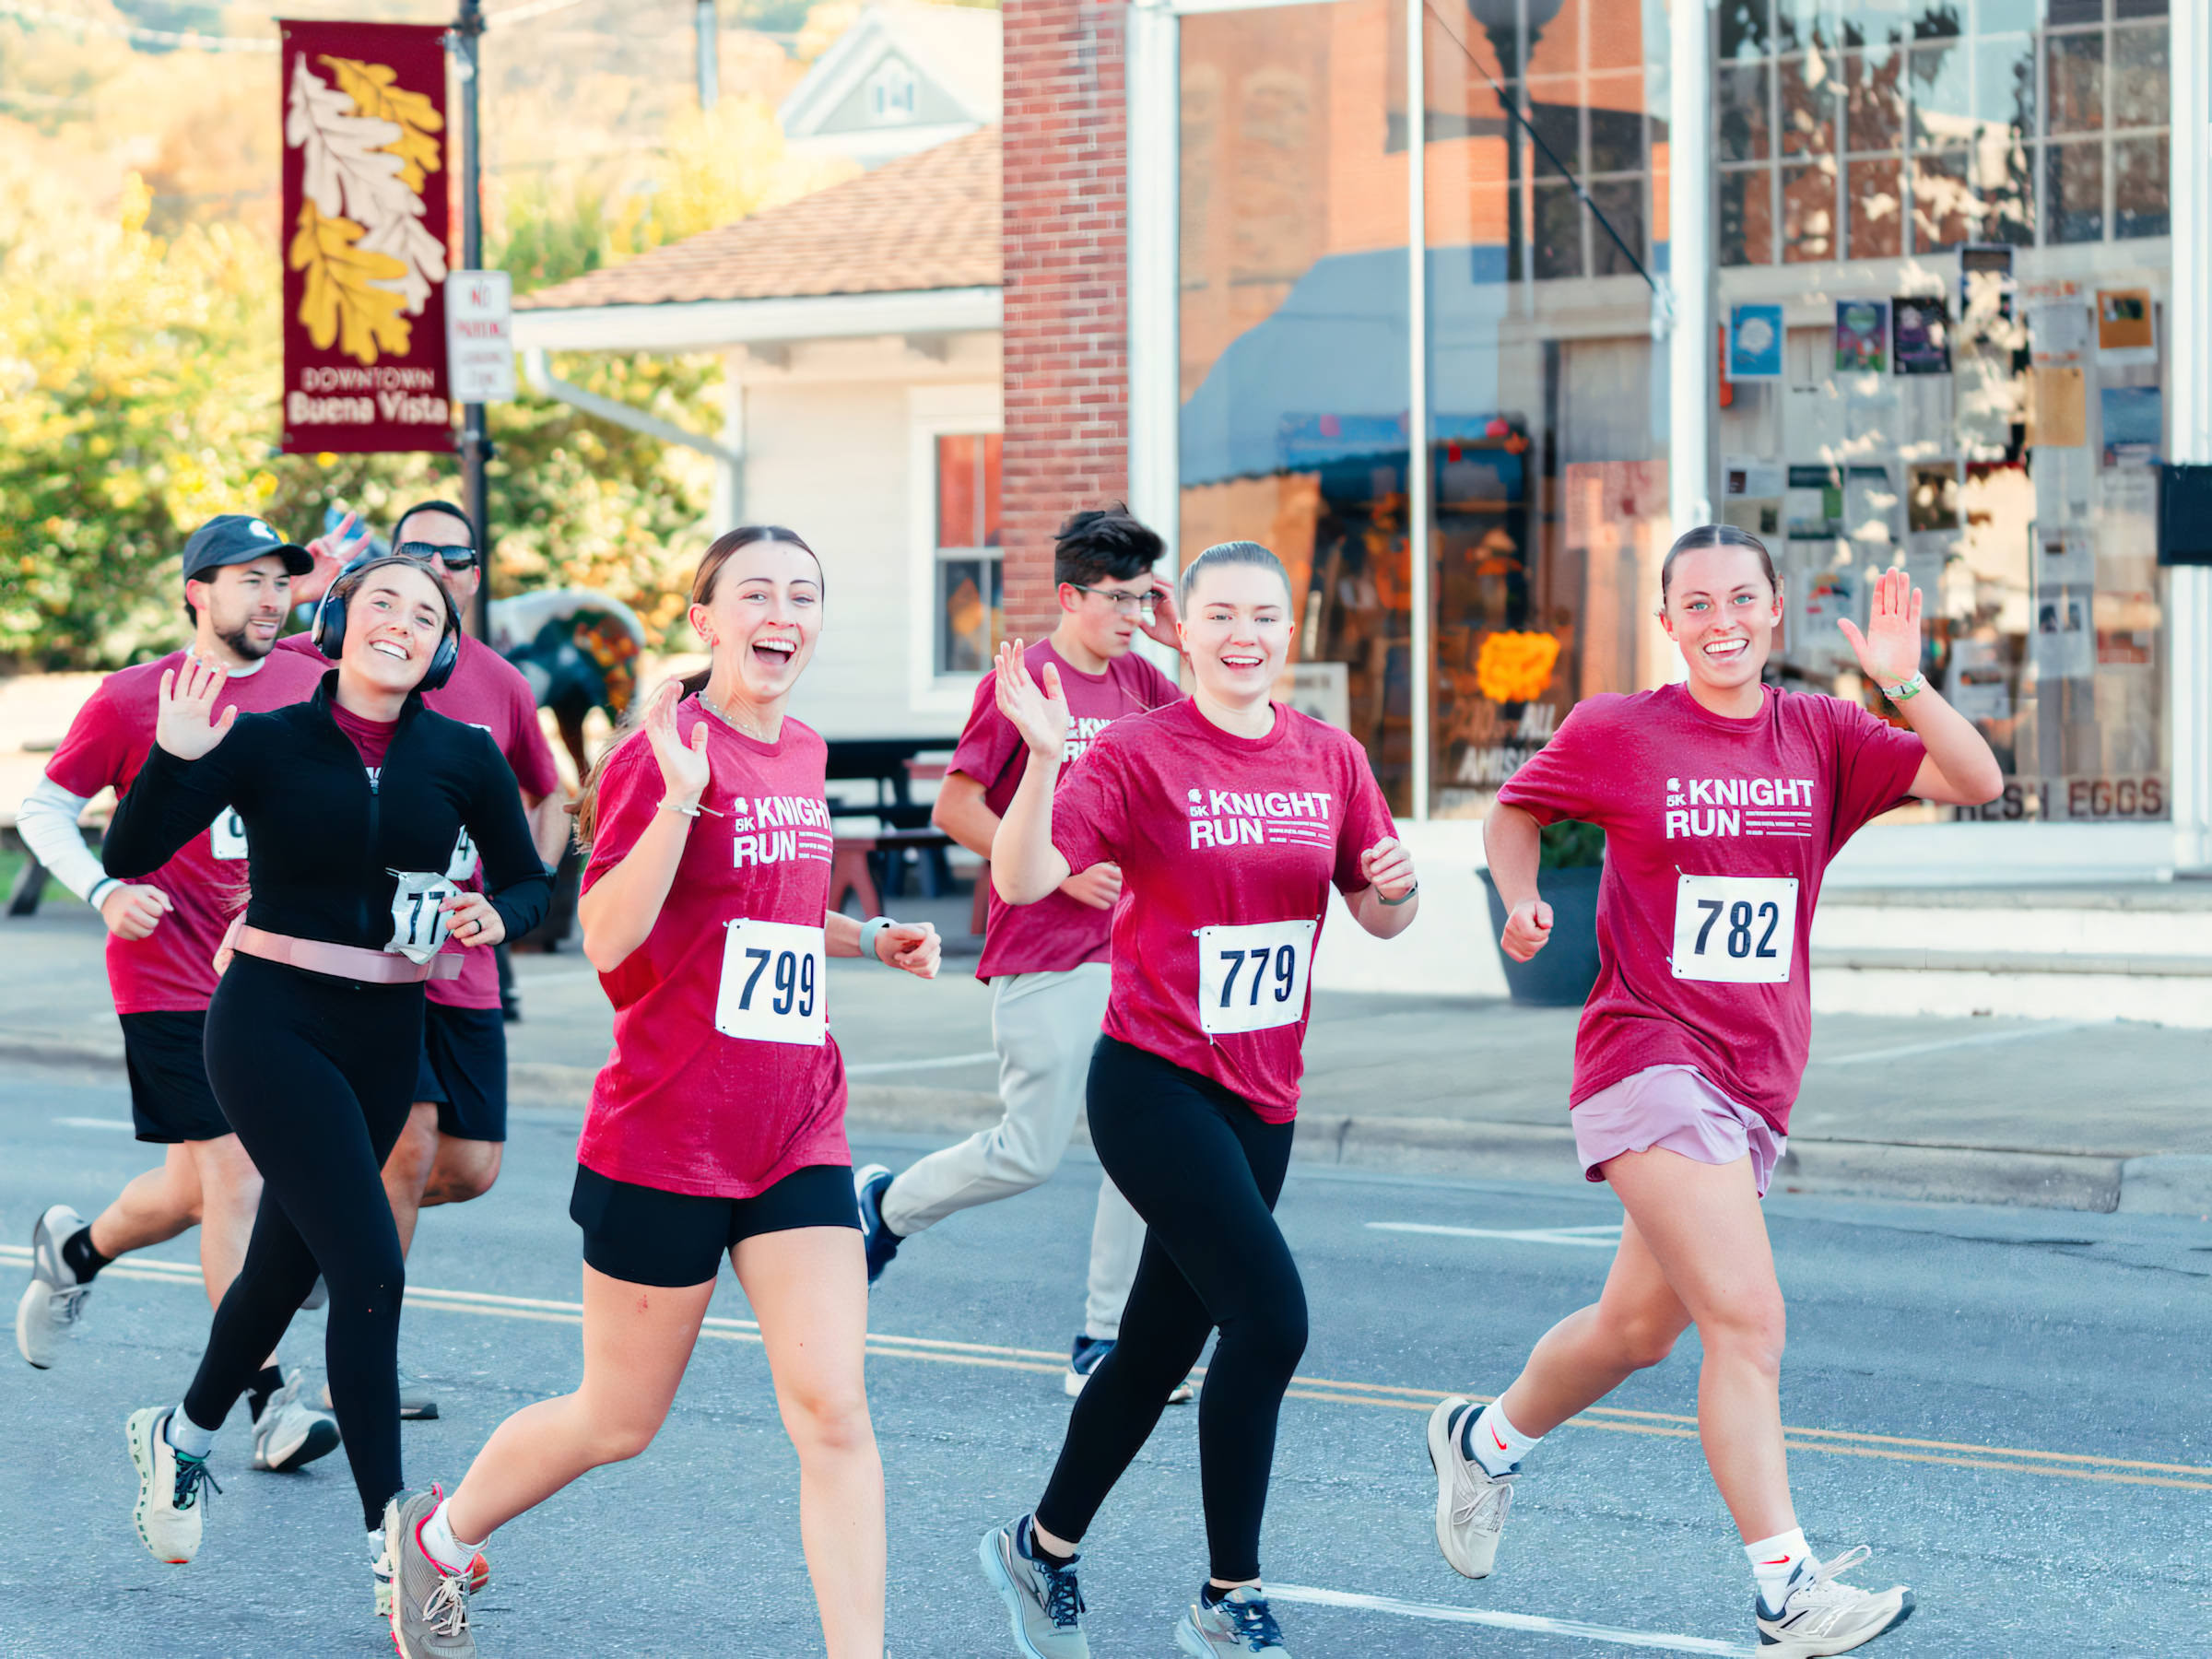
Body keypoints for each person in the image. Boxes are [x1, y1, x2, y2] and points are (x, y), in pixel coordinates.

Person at [1427, 527, 2001, 1659]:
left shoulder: (1825, 733)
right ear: (1668, 620)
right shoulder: (1620, 731)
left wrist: (1901, 680)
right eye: (1696, 603)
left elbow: (1974, 778)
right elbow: (1512, 811)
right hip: (1647, 1055)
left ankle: (1483, 1444)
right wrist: (1522, 898)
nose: (1721, 620)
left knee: (1636, 1331)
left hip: (1755, 1076)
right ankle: (1784, 1588)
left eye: (1742, 598)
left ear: (1777, 611)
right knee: (1748, 1321)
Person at [382, 526, 940, 1659]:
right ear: (706, 620)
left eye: (803, 593)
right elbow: (608, 936)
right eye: (757, 593)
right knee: (617, 1420)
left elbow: (757, 910)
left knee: (834, 1410)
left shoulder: (803, 748)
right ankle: (436, 1540)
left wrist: (868, 933)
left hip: (795, 1123)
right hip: (667, 1134)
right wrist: (681, 797)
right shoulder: (661, 755)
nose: (782, 611)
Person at [974, 539, 1418, 1659]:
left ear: (1289, 629)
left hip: (1264, 1099)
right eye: (1220, 615)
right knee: (1270, 1321)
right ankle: (1229, 1595)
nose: (1243, 636)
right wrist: (1037, 760)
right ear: (1184, 625)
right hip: (1154, 1081)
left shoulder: (1330, 756)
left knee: (1156, 1349)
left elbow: (1376, 914)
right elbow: (1023, 879)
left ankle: (1043, 1544)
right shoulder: (1137, 751)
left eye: (1263, 616)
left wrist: (1401, 895)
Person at [99, 555, 548, 1601]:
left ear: (443, 648)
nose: (400, 621)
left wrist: (501, 915)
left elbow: (529, 876)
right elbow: (130, 846)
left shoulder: (463, 755)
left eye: (426, 612)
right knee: (370, 1269)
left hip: (391, 1030)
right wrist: (171, 758)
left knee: (284, 1270)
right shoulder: (264, 741)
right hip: (267, 1020)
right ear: (339, 623)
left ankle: (183, 1430)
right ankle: (397, 1542)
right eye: (380, 601)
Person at [14, 515, 339, 1475]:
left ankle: (75, 1254)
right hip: (169, 981)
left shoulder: (314, 688)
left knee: (202, 1189)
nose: (270, 596)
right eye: (246, 580)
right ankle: (269, 1400)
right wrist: (106, 891)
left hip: (285, 974)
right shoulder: (129, 699)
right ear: (197, 592)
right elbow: (44, 809)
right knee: (235, 1176)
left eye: (280, 580)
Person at [854, 505, 1191, 1398]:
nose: (1131, 615)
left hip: (1134, 957)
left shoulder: (1146, 683)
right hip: (1047, 947)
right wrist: (1058, 868)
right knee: (1031, 1151)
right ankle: (886, 1206)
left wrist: (1187, 645)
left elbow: (1212, 745)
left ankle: (1106, 1340)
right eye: (1118, 598)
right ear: (1070, 594)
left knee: (1144, 1149)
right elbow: (956, 807)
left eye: (1144, 597)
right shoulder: (1024, 680)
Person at [288, 502, 566, 1428]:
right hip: (370, 965)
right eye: (416, 556)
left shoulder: (498, 685)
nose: (438, 569)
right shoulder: (335, 660)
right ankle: (357, 1378)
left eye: (456, 557)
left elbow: (548, 795)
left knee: (473, 1166)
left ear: (475, 577)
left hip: (466, 967)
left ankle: (313, 1236)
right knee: (401, 1159)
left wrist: (520, 892)